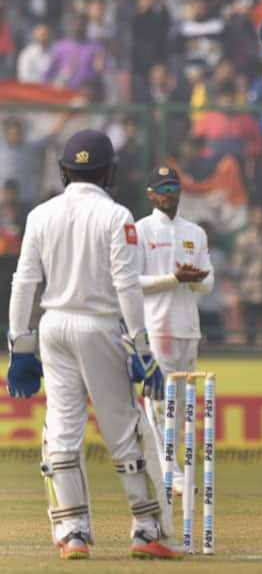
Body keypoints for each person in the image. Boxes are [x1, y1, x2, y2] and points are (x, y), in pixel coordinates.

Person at [6, 130, 182, 560]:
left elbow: (24, 281)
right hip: (99, 326)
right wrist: (142, 349)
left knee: (62, 431)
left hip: (53, 327)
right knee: (125, 431)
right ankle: (146, 530)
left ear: (66, 171)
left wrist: (20, 347)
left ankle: (72, 533)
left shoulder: (40, 214)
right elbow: (126, 285)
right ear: (108, 172)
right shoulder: (116, 215)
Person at [136, 166, 214, 494]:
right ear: (151, 194)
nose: (169, 193)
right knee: (157, 403)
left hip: (188, 329)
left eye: (173, 187)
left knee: (181, 407)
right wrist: (173, 279)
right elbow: (132, 284)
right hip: (157, 329)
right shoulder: (140, 231)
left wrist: (194, 279)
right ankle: (169, 471)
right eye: (162, 188)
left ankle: (171, 467)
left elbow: (209, 283)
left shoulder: (194, 232)